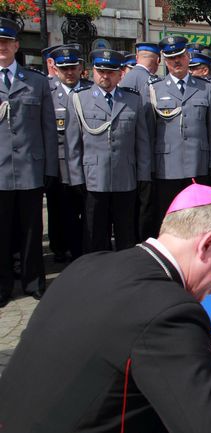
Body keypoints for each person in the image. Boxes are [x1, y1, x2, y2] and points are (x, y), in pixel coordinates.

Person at [0, 183, 211, 432]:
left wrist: (202, 359)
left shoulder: (89, 264)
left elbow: (122, 350)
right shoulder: (172, 312)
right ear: (208, 244)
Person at [65, 49, 150, 253]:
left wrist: (144, 176)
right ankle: (96, 277)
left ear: (121, 73)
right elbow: (73, 144)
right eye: (100, 71)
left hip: (125, 178)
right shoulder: (79, 99)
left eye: (110, 72)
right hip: (94, 179)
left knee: (126, 235)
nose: (105, 76)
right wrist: (76, 178)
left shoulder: (132, 100)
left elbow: (142, 142)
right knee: (95, 234)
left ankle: (124, 277)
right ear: (92, 71)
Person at [0, 18, 58, 308]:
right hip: (0, 171)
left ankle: (34, 282)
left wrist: (50, 168)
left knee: (32, 230)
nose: (2, 48)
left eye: (7, 42)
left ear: (16, 46)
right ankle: (3, 285)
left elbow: (49, 127)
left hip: (30, 169)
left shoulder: (35, 81)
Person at [149, 36, 211, 232]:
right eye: (171, 58)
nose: (177, 61)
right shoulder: (155, 89)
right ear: (165, 61)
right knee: (168, 217)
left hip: (197, 164)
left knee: (198, 218)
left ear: (188, 56)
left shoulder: (205, 88)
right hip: (166, 166)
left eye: (180, 56)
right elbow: (150, 133)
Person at [47, 46, 92, 261]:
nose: (69, 72)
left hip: (87, 162)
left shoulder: (90, 90)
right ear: (55, 70)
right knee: (61, 211)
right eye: (64, 69)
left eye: (73, 67)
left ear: (80, 67)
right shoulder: (48, 93)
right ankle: (60, 248)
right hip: (60, 164)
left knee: (87, 212)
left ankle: (82, 249)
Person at [119, 42, 161, 241]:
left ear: (137, 58)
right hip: (149, 152)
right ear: (158, 61)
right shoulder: (151, 82)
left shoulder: (127, 78)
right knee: (146, 205)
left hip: (128, 152)